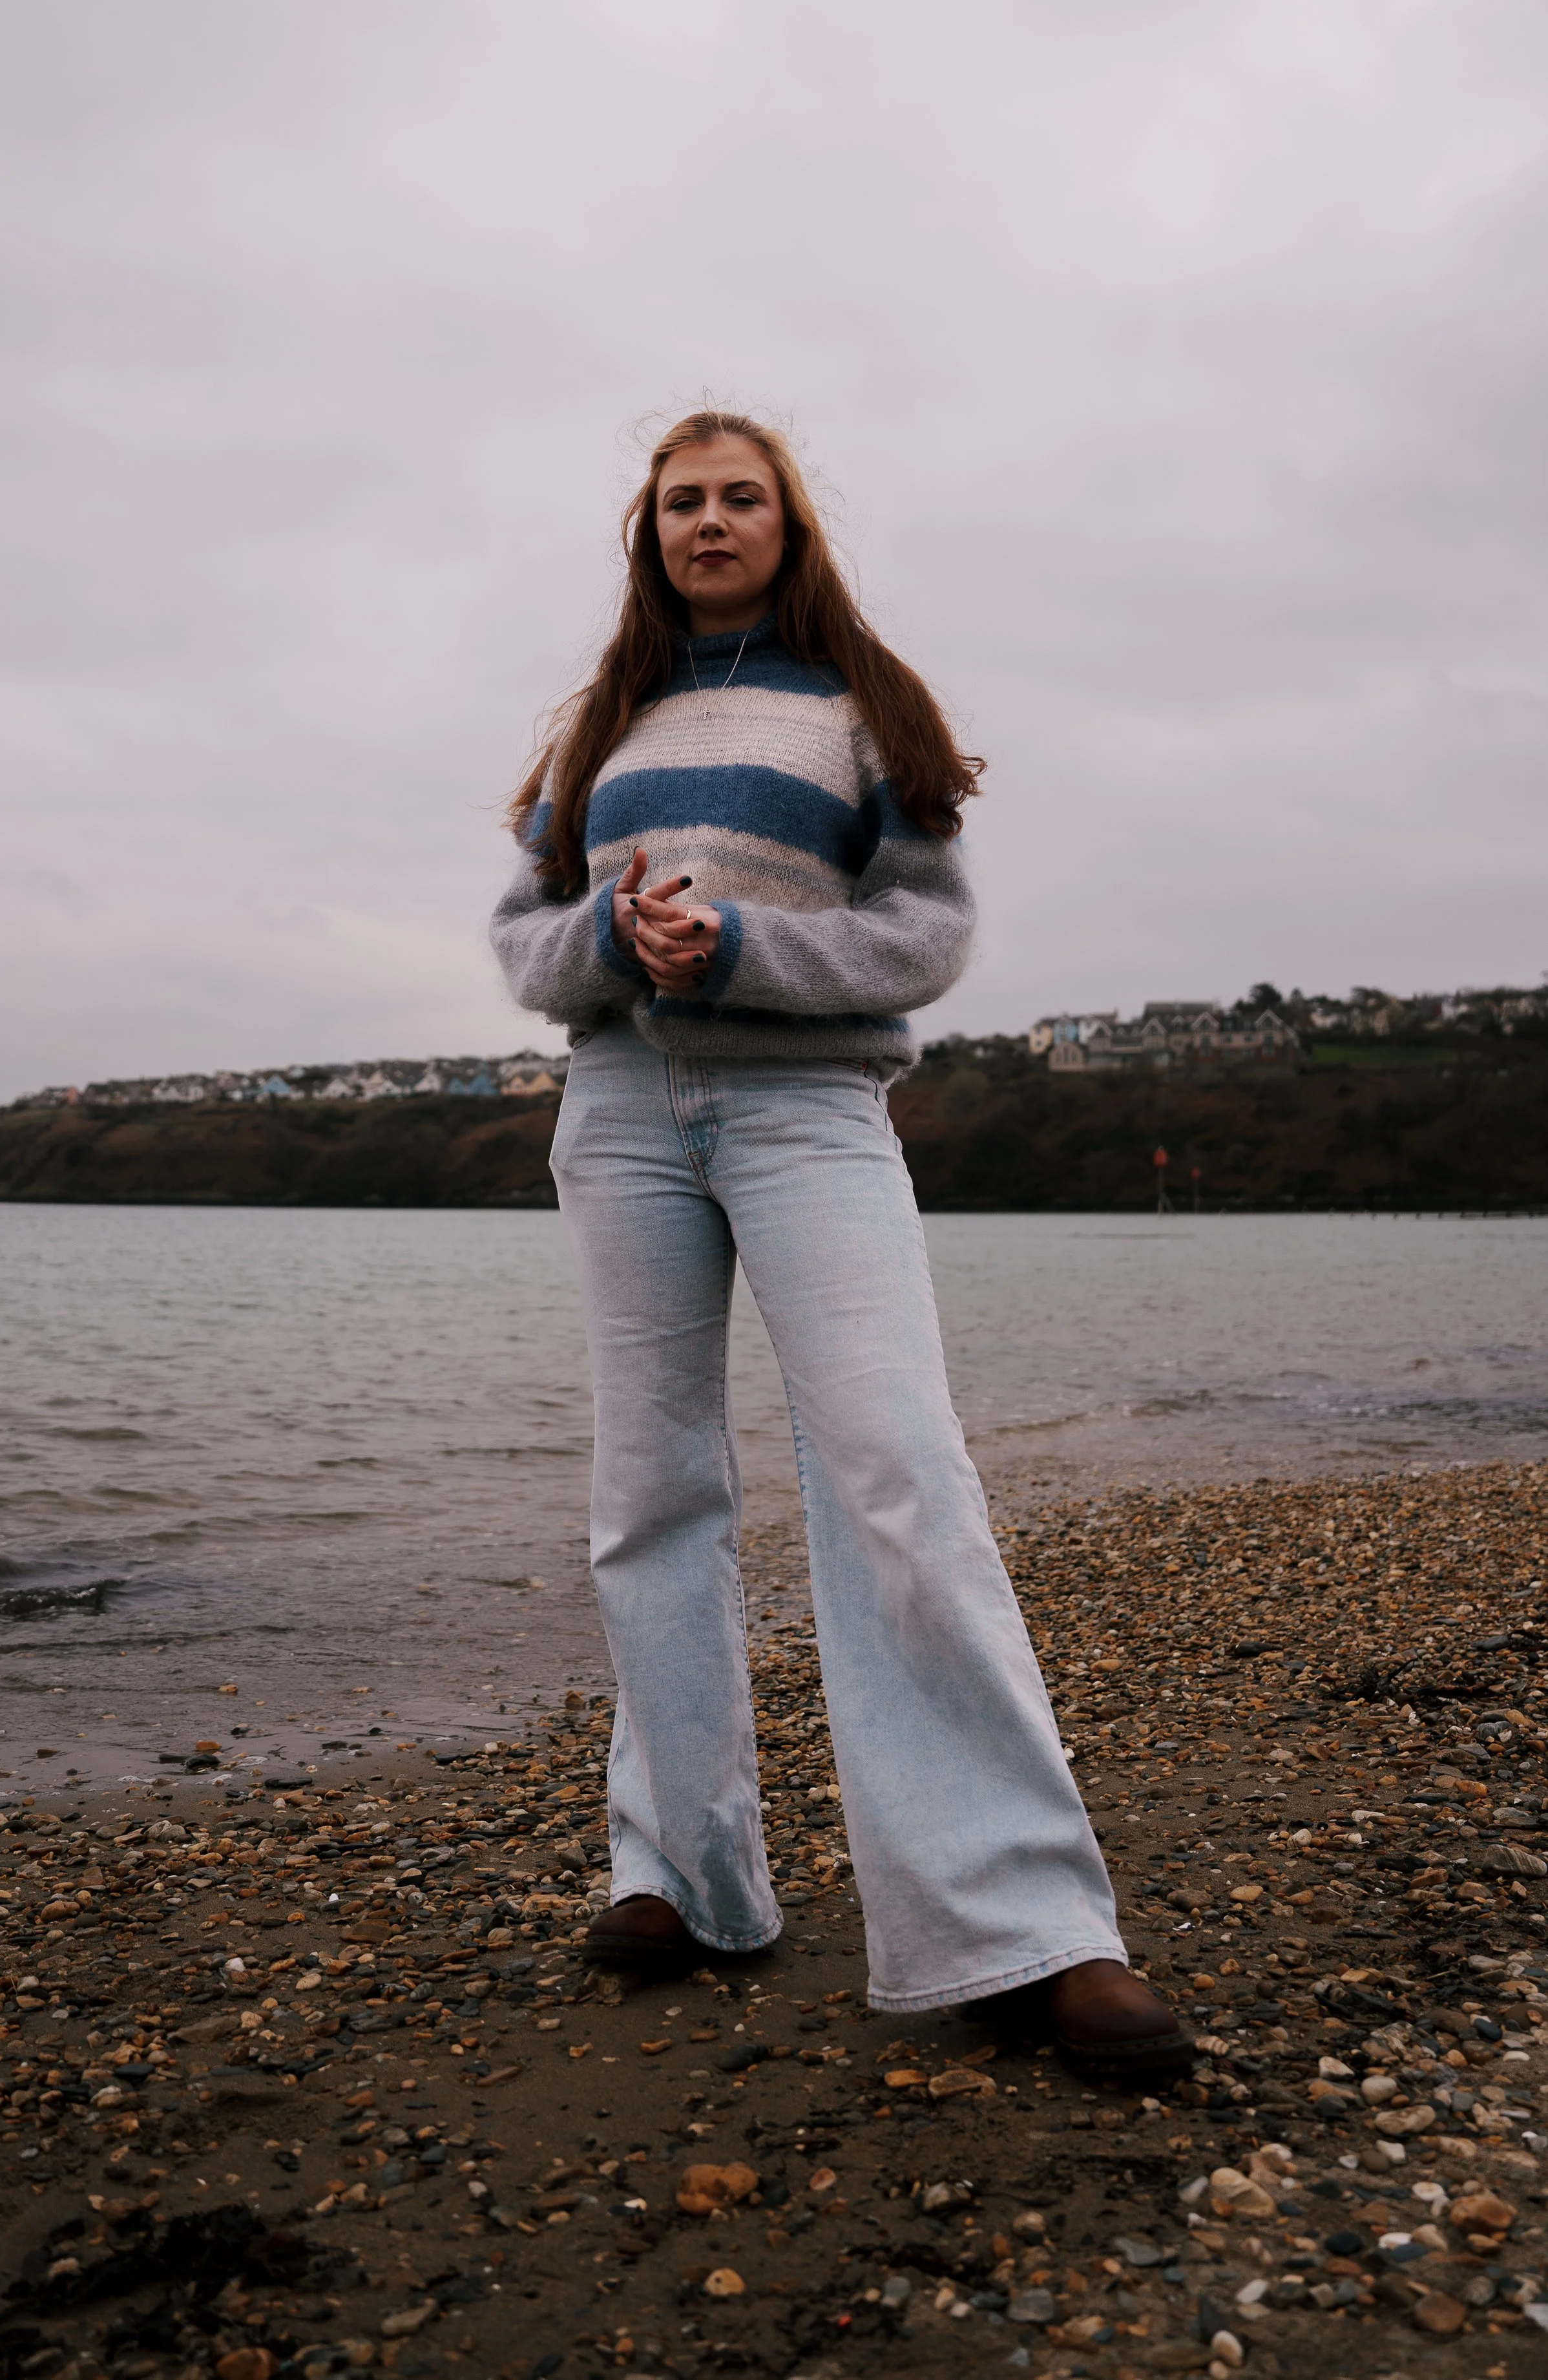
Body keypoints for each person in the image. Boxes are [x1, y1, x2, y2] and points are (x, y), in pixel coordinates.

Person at [490, 408, 1187, 2075]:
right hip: (621, 1110)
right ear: (650, 533)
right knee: (651, 1491)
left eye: (741, 497)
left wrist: (738, 946)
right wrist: (615, 940)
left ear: (791, 527)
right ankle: (683, 1874)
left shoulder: (868, 711)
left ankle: (1020, 1924)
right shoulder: (599, 727)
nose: (709, 521)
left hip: (807, 1111)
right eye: (682, 501)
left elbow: (930, 932)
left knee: (896, 1474)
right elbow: (522, 939)